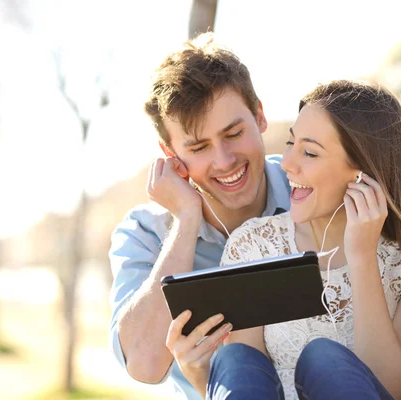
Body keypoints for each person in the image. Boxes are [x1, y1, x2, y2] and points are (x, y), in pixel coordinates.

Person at [166, 80, 401, 399]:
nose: (287, 164)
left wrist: (361, 257)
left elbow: (393, 388)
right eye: (291, 144)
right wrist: (202, 376)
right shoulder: (254, 245)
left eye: (309, 152)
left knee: (323, 358)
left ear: (362, 173)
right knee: (233, 357)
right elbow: (243, 377)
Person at [108, 32, 291, 399]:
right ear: (170, 152)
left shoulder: (311, 189)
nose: (224, 161)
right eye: (199, 147)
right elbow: (143, 364)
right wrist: (187, 219)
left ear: (259, 114)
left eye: (234, 133)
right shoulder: (144, 232)